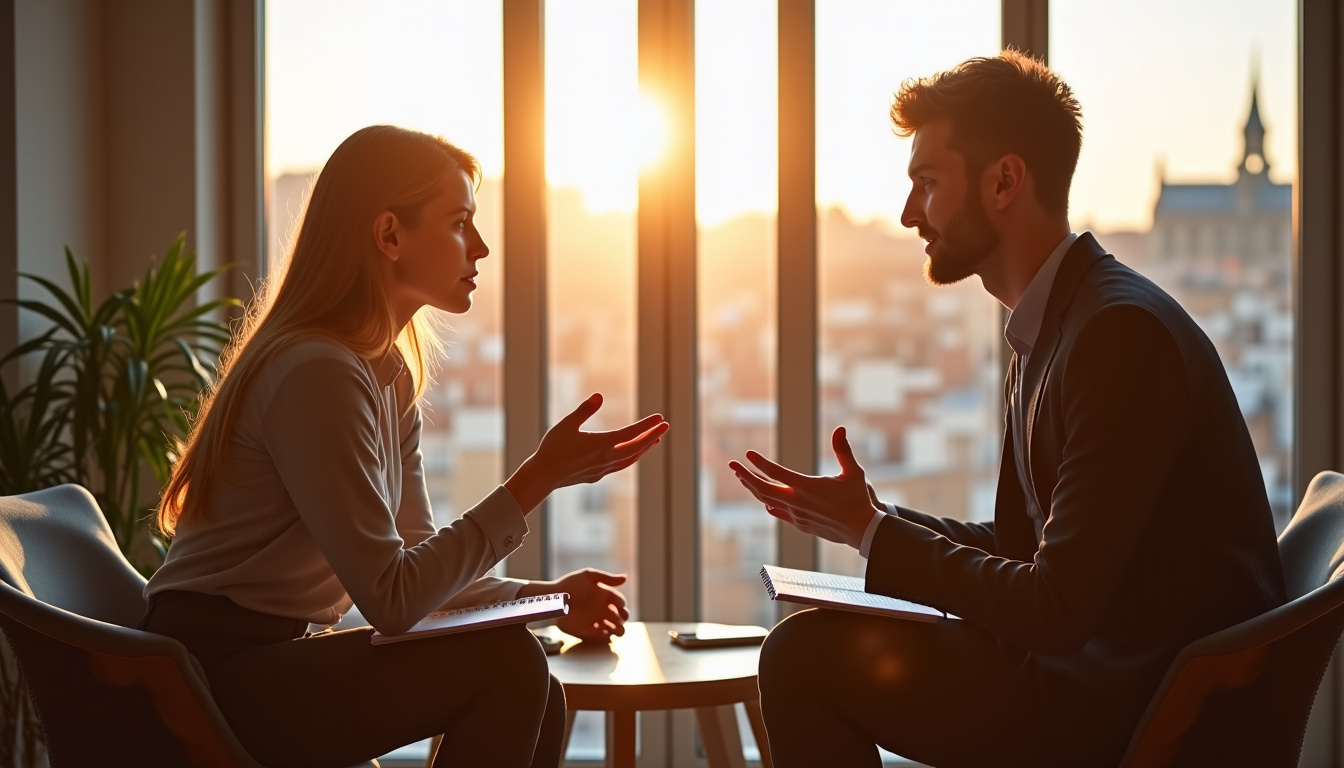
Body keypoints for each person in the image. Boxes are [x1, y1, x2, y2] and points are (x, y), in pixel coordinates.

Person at [731, 51, 1285, 768]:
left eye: (927, 184)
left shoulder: (1118, 338)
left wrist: (877, 537)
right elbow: (1028, 546)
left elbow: (1055, 608)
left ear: (1004, 180)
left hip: (1130, 706)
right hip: (1100, 677)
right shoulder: (1061, 324)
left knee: (802, 657)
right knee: (810, 644)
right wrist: (871, 523)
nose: (907, 214)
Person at [141, 125, 669, 768]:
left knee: (541, 690)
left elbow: (423, 580)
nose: (481, 246)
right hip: (213, 678)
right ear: (389, 235)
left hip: (268, 662)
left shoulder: (383, 375)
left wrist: (549, 598)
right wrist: (536, 480)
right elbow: (392, 601)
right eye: (459, 224)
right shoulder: (318, 373)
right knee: (507, 668)